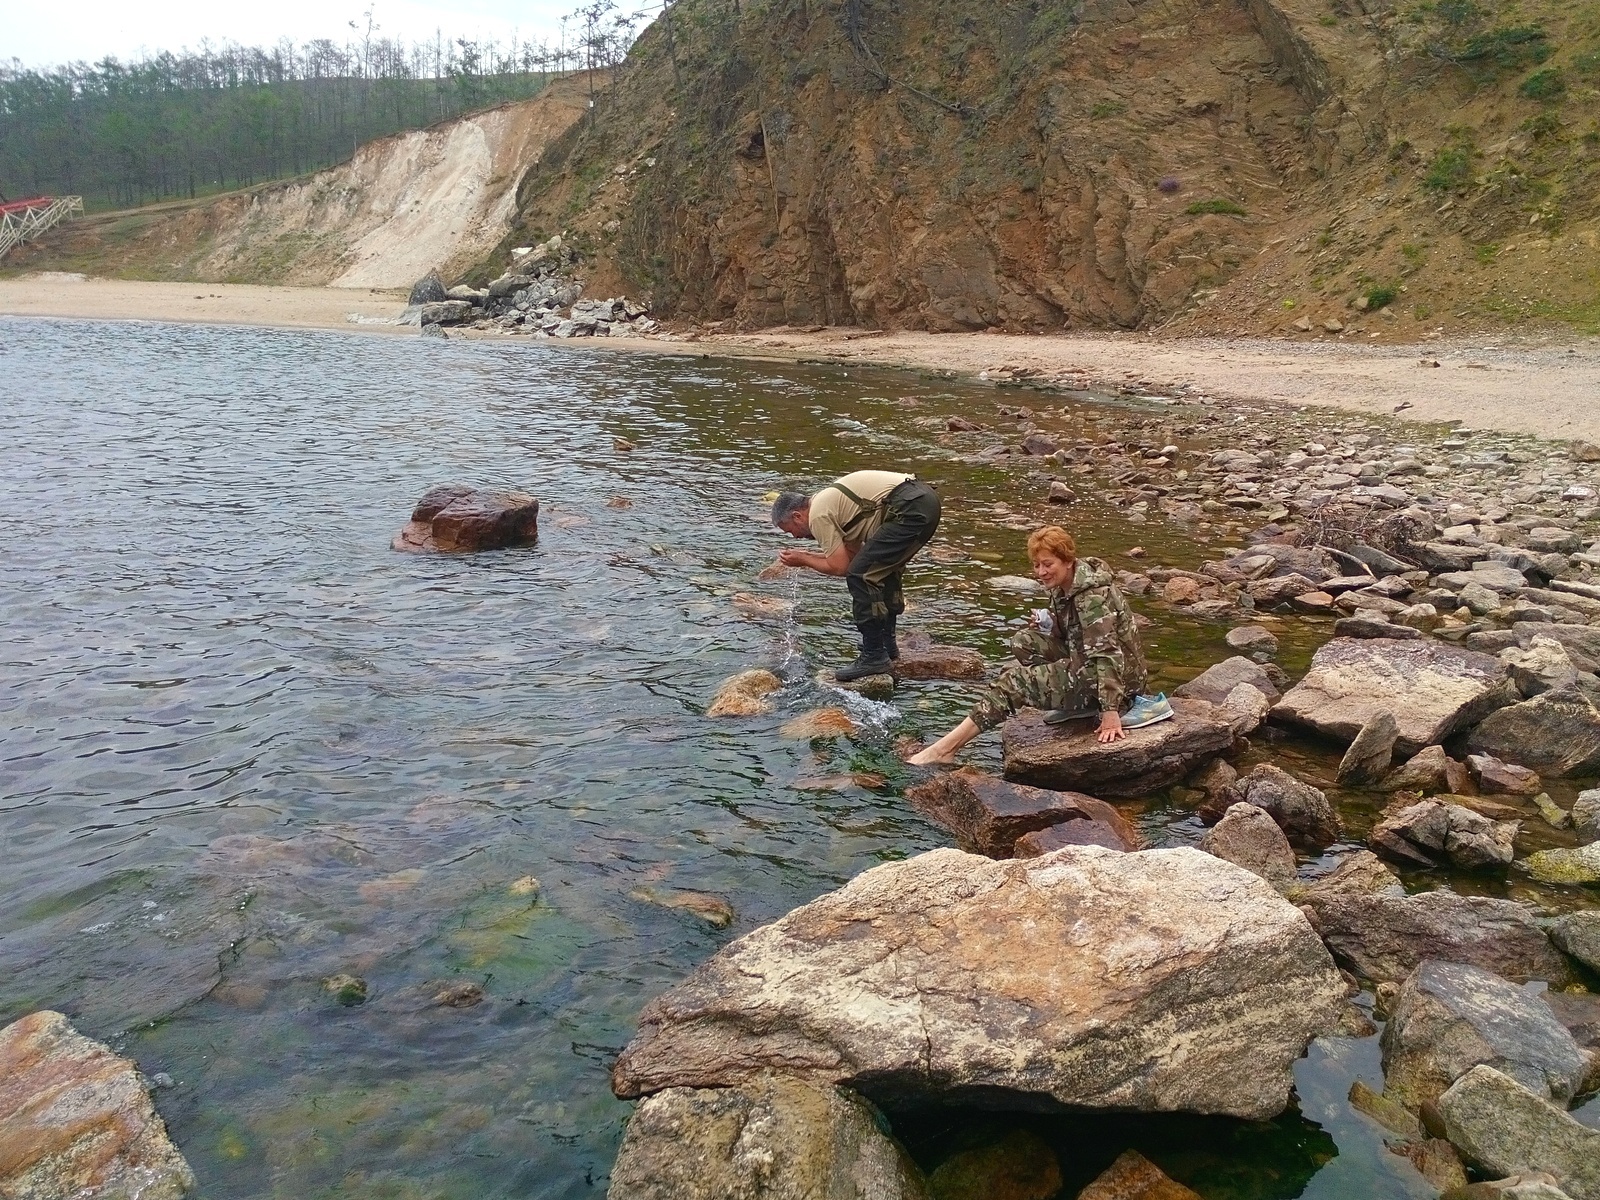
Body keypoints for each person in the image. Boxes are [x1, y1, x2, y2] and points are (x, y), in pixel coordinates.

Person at [906, 525, 1170, 765]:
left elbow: (1107, 654)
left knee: (1014, 684)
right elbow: (1075, 634)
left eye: (1047, 564)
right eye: (1036, 565)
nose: (1041, 572)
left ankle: (945, 749)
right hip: (1085, 663)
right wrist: (1051, 626)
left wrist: (1111, 712)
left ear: (1067, 561)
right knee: (1024, 642)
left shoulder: (1092, 597)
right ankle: (1079, 702)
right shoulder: (1064, 586)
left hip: (1117, 678)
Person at [771, 470, 942, 681]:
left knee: (860, 576)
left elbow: (841, 568)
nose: (796, 537)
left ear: (797, 515)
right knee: (878, 569)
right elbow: (853, 557)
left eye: (790, 531)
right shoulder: (834, 505)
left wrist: (804, 559)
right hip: (922, 501)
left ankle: (873, 656)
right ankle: (886, 645)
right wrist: (806, 556)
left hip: (908, 508)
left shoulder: (818, 515)